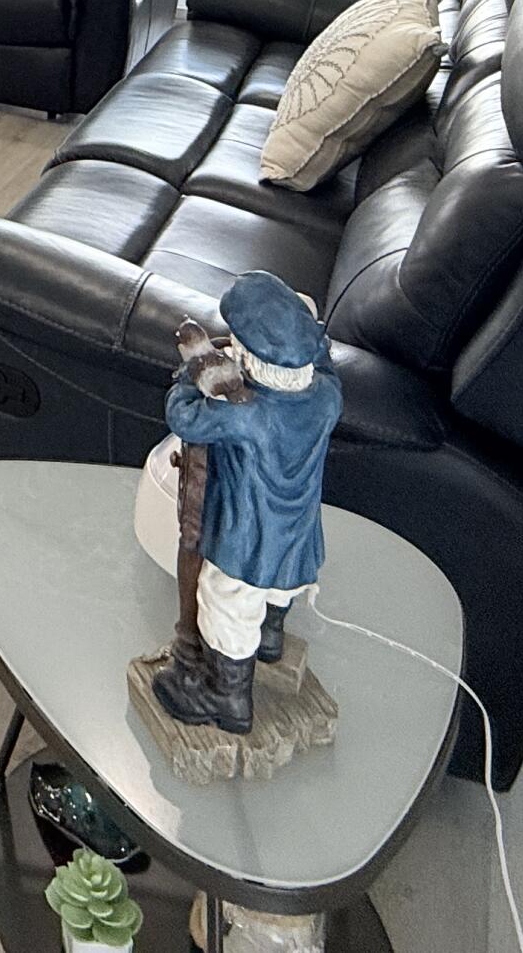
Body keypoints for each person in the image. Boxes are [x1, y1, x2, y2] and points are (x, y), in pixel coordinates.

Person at [150, 271, 341, 736]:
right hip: (295, 537)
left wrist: (194, 376)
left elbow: (184, 418)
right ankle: (271, 637)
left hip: (245, 543)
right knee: (276, 595)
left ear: (250, 361)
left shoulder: (246, 416)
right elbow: (327, 363)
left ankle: (227, 695)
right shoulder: (326, 399)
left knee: (229, 607)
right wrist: (308, 340)